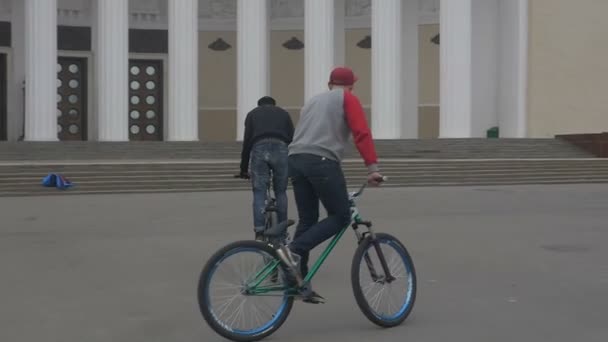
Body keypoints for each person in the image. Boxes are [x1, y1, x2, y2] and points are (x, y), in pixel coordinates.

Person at [278, 67, 384, 304]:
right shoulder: (347, 98)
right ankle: (293, 251)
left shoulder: (313, 101)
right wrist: (373, 169)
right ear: (351, 85)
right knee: (340, 216)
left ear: (329, 84)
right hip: (321, 161)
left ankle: (298, 281)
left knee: (307, 219)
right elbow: (361, 133)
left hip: (295, 159)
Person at [238, 96, 295, 240]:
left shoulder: (252, 114)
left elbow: (247, 142)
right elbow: (293, 138)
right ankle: (282, 232)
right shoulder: (283, 113)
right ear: (274, 104)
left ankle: (259, 231)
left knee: (259, 192)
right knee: (281, 192)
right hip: (281, 148)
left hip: (259, 147)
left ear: (259, 105)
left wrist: (243, 169)